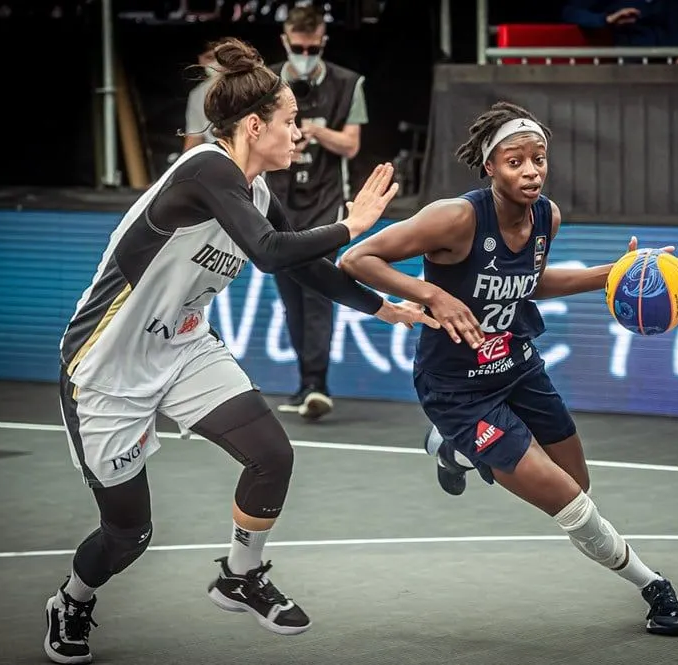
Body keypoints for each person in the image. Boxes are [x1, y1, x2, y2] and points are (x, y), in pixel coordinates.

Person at [43, 38, 435, 665]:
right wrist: (353, 225)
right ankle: (73, 599)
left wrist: (378, 305)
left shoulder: (252, 190)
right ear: (255, 126)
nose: (300, 135)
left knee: (272, 455)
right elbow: (270, 253)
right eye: (290, 122)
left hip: (185, 346)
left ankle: (238, 575)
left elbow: (301, 265)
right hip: (106, 362)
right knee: (128, 534)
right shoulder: (205, 170)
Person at [339, 101, 678, 637]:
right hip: (458, 389)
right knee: (570, 505)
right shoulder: (455, 217)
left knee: (577, 482)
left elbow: (533, 281)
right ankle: (654, 586)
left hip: (518, 366)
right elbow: (357, 259)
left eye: (538, 159)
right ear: (489, 166)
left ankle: (452, 448)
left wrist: (615, 273)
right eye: (515, 161)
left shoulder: (546, 216)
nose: (530, 171)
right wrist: (433, 293)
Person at [264, 4, 370, 421]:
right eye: (297, 46)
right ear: (285, 41)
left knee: (319, 293)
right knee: (292, 300)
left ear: (323, 42)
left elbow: (352, 144)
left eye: (312, 46)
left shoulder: (348, 83)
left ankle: (317, 384)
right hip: (279, 205)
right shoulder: (267, 81)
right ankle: (307, 381)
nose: (304, 52)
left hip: (326, 204)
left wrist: (315, 131)